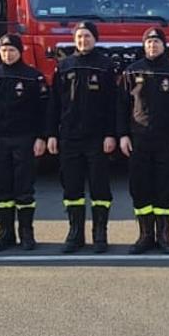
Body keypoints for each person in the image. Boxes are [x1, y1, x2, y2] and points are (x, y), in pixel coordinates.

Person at [118, 27, 169, 254]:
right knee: (140, 189)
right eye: (149, 42)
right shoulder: (131, 72)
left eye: (156, 42)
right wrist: (122, 135)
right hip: (138, 141)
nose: (153, 46)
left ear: (164, 45)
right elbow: (121, 107)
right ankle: (145, 235)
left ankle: (164, 237)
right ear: (144, 46)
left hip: (167, 141)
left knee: (165, 189)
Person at [48, 21, 119, 253]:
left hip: (97, 138)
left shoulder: (106, 66)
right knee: (72, 189)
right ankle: (75, 234)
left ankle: (100, 234)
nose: (83, 40)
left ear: (95, 39)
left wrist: (111, 134)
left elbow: (113, 105)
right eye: (79, 36)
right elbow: (54, 104)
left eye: (87, 36)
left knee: (100, 189)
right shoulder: (64, 66)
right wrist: (51, 134)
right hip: (69, 137)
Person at [0, 33, 47, 252]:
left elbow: (44, 111)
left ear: (20, 51)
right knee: (1, 190)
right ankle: (5, 234)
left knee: (24, 190)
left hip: (25, 139)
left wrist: (41, 137)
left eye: (12, 50)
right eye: (4, 50)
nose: (8, 54)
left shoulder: (33, 78)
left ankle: (27, 234)